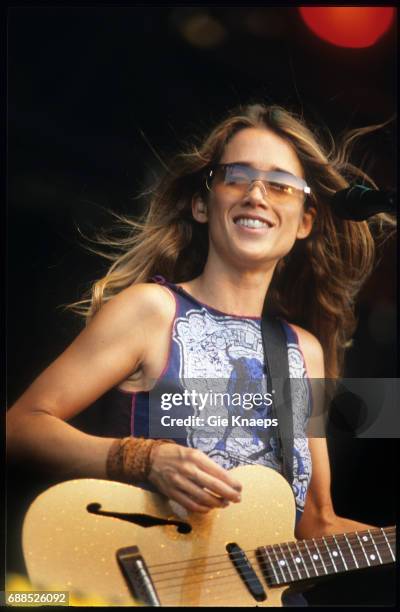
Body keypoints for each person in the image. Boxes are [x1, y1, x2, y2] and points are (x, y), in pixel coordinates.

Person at [6, 103, 395, 606]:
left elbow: (316, 523)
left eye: (279, 184)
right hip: (130, 580)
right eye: (237, 178)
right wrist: (145, 459)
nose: (256, 194)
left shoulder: (307, 352)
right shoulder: (151, 310)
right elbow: (20, 426)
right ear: (201, 204)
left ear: (304, 221)